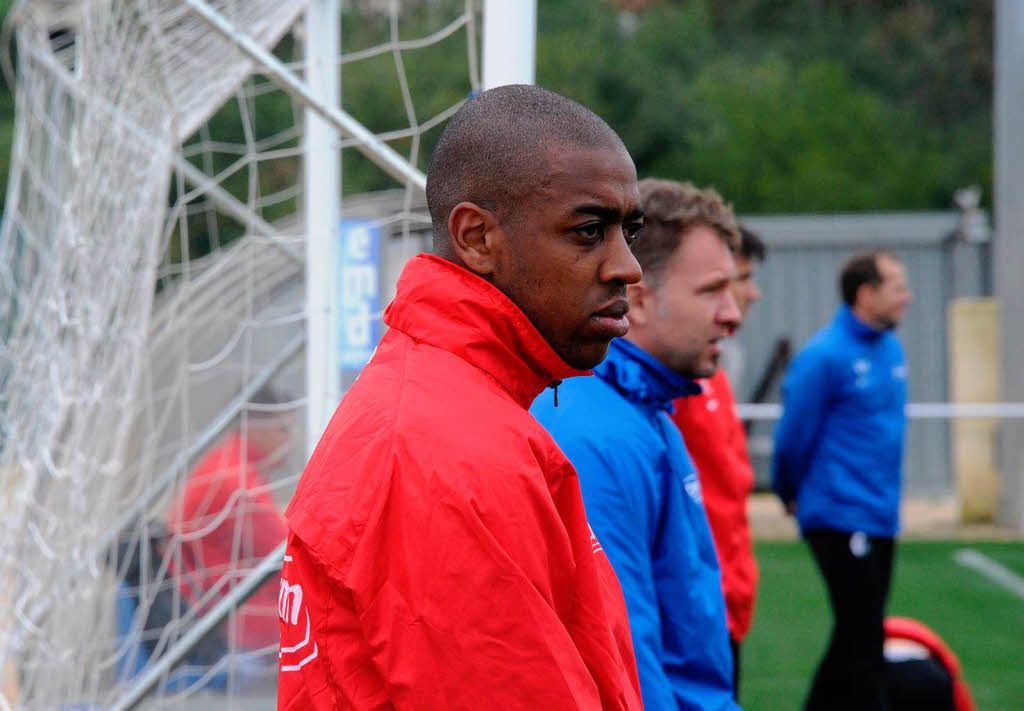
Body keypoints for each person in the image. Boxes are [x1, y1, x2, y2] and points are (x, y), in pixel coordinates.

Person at [277, 85, 647, 711]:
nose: (627, 266)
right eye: (590, 232)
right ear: (476, 238)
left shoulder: (460, 404)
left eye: (627, 231)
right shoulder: (442, 450)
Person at [533, 178, 742, 711]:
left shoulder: (643, 413)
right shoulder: (599, 434)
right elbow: (626, 659)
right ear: (641, 302)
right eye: (712, 290)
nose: (733, 313)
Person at [772, 250, 913, 711]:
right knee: (866, 641)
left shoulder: (890, 348)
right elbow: (792, 437)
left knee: (854, 635)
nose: (907, 298)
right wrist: (789, 491)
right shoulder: (824, 356)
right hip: (837, 514)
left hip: (880, 514)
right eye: (897, 288)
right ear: (865, 294)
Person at [670, 225, 766, 699]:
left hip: (726, 596)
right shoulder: (671, 381)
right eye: (734, 280)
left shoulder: (711, 373)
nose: (751, 294)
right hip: (698, 603)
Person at [166, 385, 294, 654]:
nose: (290, 442)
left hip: (216, 610)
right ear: (257, 428)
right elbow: (286, 551)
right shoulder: (235, 481)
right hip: (226, 627)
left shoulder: (229, 464)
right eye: (284, 430)